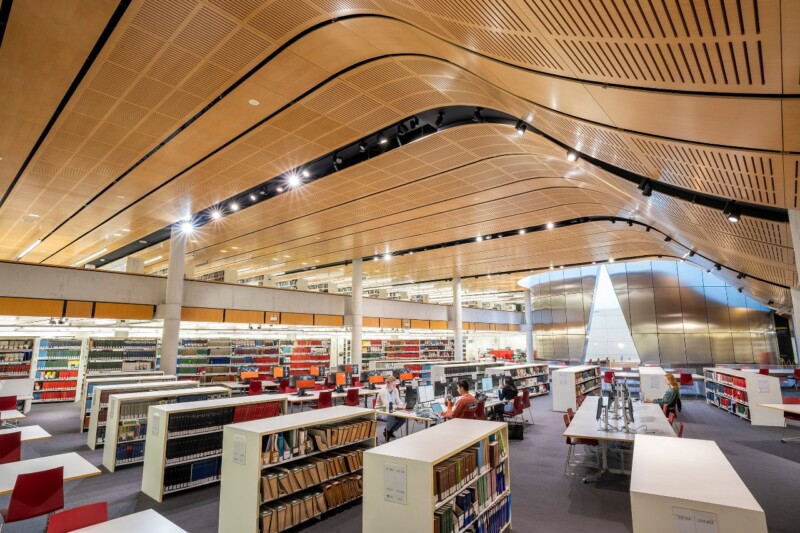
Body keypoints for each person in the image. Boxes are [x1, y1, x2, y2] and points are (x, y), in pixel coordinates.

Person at [374, 375, 406, 441]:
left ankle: (389, 431)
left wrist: (402, 405)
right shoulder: (383, 391)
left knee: (403, 418)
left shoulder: (395, 390)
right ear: (388, 383)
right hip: (380, 410)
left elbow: (398, 401)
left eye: (395, 383)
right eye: (393, 383)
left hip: (391, 410)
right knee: (391, 417)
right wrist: (397, 406)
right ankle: (388, 432)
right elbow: (386, 405)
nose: (395, 385)